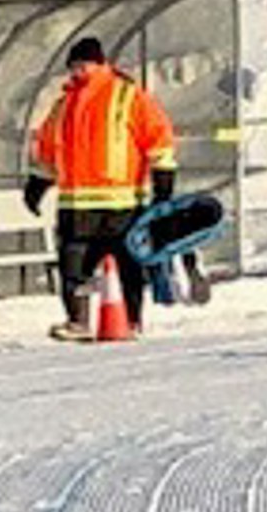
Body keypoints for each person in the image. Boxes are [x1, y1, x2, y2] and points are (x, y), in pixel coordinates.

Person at [23, 35, 196, 341]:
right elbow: (50, 150)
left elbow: (157, 137)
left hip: (123, 202)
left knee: (127, 263)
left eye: (83, 65)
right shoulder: (63, 105)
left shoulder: (128, 96)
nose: (78, 72)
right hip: (75, 203)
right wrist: (39, 183)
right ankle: (77, 320)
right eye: (74, 66)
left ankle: (129, 319)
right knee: (73, 264)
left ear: (100, 63)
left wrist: (163, 182)